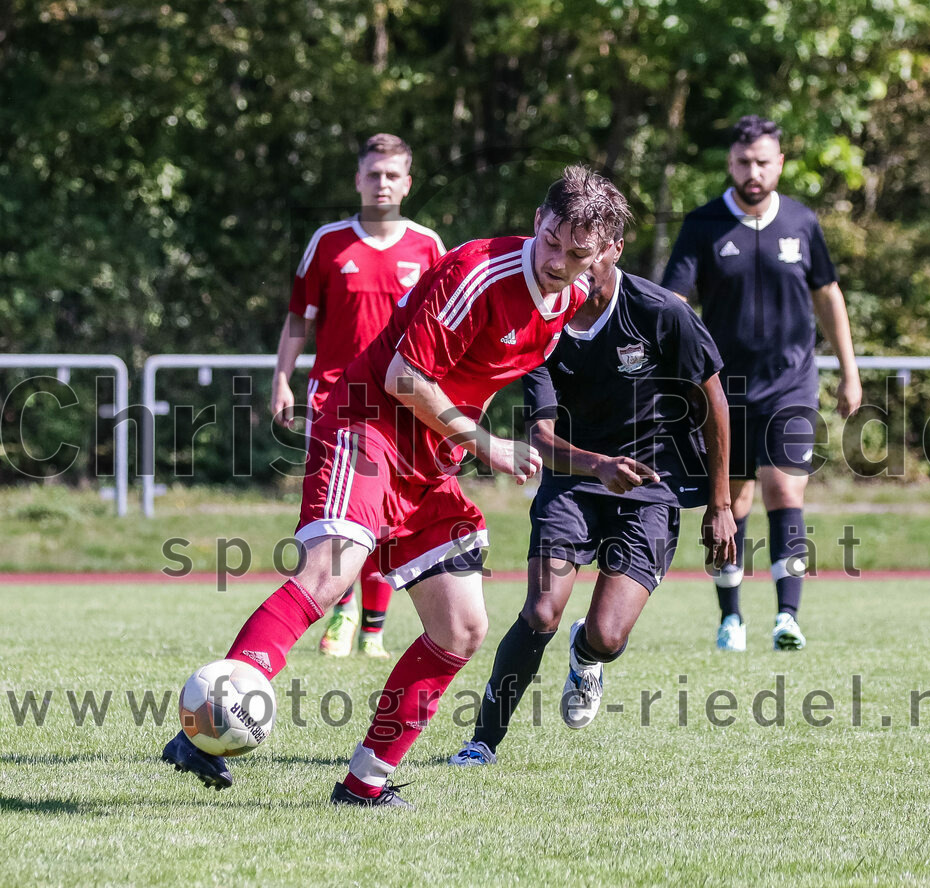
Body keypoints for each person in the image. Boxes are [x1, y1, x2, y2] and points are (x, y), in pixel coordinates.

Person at [162, 164, 631, 808]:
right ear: (537, 222)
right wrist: (486, 444)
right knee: (331, 570)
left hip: (428, 465)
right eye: (550, 240)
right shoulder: (478, 272)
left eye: (576, 254)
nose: (557, 261)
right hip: (367, 427)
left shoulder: (573, 297)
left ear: (603, 254)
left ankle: (364, 784)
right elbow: (403, 376)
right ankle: (205, 731)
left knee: (461, 628)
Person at [448, 228, 736, 766]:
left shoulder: (661, 311)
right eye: (559, 250)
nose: (567, 265)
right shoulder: (543, 321)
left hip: (651, 486)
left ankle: (587, 655)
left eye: (583, 253)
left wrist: (720, 505)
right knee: (540, 612)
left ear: (614, 249)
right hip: (573, 477)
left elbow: (714, 401)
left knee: (607, 635)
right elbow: (541, 437)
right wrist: (598, 465)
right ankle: (481, 742)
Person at [661, 115, 862, 653]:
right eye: (744, 162)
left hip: (791, 383)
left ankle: (787, 617)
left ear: (780, 163)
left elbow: (828, 295)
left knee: (784, 488)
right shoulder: (703, 224)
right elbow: (673, 301)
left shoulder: (802, 221)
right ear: (731, 164)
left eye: (763, 162)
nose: (754, 172)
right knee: (732, 498)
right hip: (722, 389)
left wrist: (850, 371)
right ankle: (731, 617)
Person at [271, 133, 445, 660]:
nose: (382, 183)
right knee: (336, 516)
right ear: (357, 180)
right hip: (334, 399)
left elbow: (445, 328)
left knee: (387, 517)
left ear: (408, 183)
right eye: (373, 174)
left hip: (401, 403)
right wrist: (281, 379)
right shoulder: (328, 242)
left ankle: (372, 628)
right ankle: (343, 610)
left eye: (392, 175)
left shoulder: (428, 247)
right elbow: (299, 318)